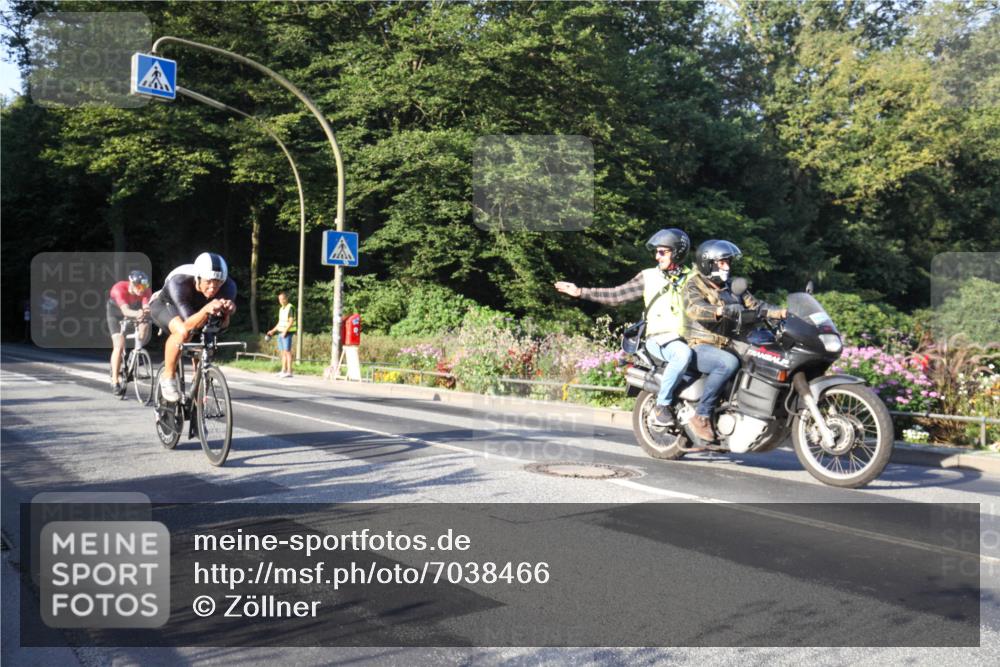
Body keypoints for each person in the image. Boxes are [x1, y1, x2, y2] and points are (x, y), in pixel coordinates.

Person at [555, 228, 693, 426]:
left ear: (677, 252)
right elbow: (617, 295)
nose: (657, 256)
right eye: (657, 252)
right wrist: (580, 292)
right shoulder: (649, 276)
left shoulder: (693, 278)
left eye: (662, 252)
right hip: (660, 339)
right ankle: (662, 406)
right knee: (682, 355)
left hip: (689, 339)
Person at [684, 240, 785, 441]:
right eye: (722, 263)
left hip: (729, 344)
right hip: (700, 345)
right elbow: (694, 308)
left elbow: (756, 307)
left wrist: (781, 312)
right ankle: (701, 415)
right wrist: (721, 310)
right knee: (727, 363)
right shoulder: (694, 285)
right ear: (708, 264)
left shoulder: (732, 287)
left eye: (728, 262)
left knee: (765, 356)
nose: (727, 267)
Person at [149, 252, 237, 402]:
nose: (212, 288)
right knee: (183, 332)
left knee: (208, 341)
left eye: (217, 284)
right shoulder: (180, 282)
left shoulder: (229, 287)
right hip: (166, 305)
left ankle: (200, 381)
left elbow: (222, 327)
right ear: (198, 278)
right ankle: (168, 377)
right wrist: (206, 309)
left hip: (196, 309)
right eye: (208, 282)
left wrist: (228, 313)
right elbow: (189, 323)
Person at [107, 270, 152, 395]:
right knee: (119, 345)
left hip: (134, 309)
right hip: (116, 313)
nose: (141, 290)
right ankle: (115, 380)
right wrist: (138, 313)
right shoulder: (119, 289)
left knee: (145, 323)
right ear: (131, 284)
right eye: (139, 286)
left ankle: (137, 351)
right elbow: (125, 311)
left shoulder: (145, 290)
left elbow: (146, 306)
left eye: (144, 286)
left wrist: (146, 313)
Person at [265, 291, 296, 378]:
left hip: (287, 333)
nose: (281, 301)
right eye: (279, 299)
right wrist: (272, 331)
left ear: (286, 299)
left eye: (282, 299)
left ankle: (289, 371)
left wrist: (285, 331)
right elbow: (280, 322)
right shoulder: (281, 309)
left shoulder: (290, 308)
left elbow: (291, 321)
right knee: (283, 352)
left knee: (287, 352)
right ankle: (283, 370)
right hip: (280, 332)